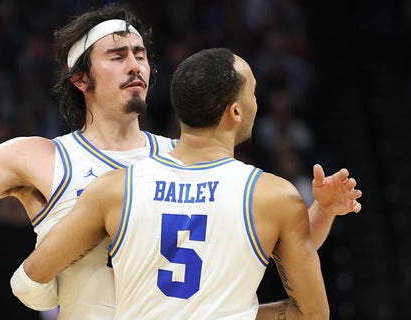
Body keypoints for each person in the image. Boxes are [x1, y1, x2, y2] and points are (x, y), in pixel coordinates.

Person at [0, 3, 359, 319]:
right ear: (81, 79)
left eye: (140, 54)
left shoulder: (183, 158)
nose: (136, 64)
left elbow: (270, 244)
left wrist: (322, 214)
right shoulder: (41, 158)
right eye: (117, 55)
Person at [19, 48, 329, 319]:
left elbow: (28, 280)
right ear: (235, 111)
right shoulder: (274, 196)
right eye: (252, 94)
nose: (255, 103)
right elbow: (312, 313)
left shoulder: (116, 188)